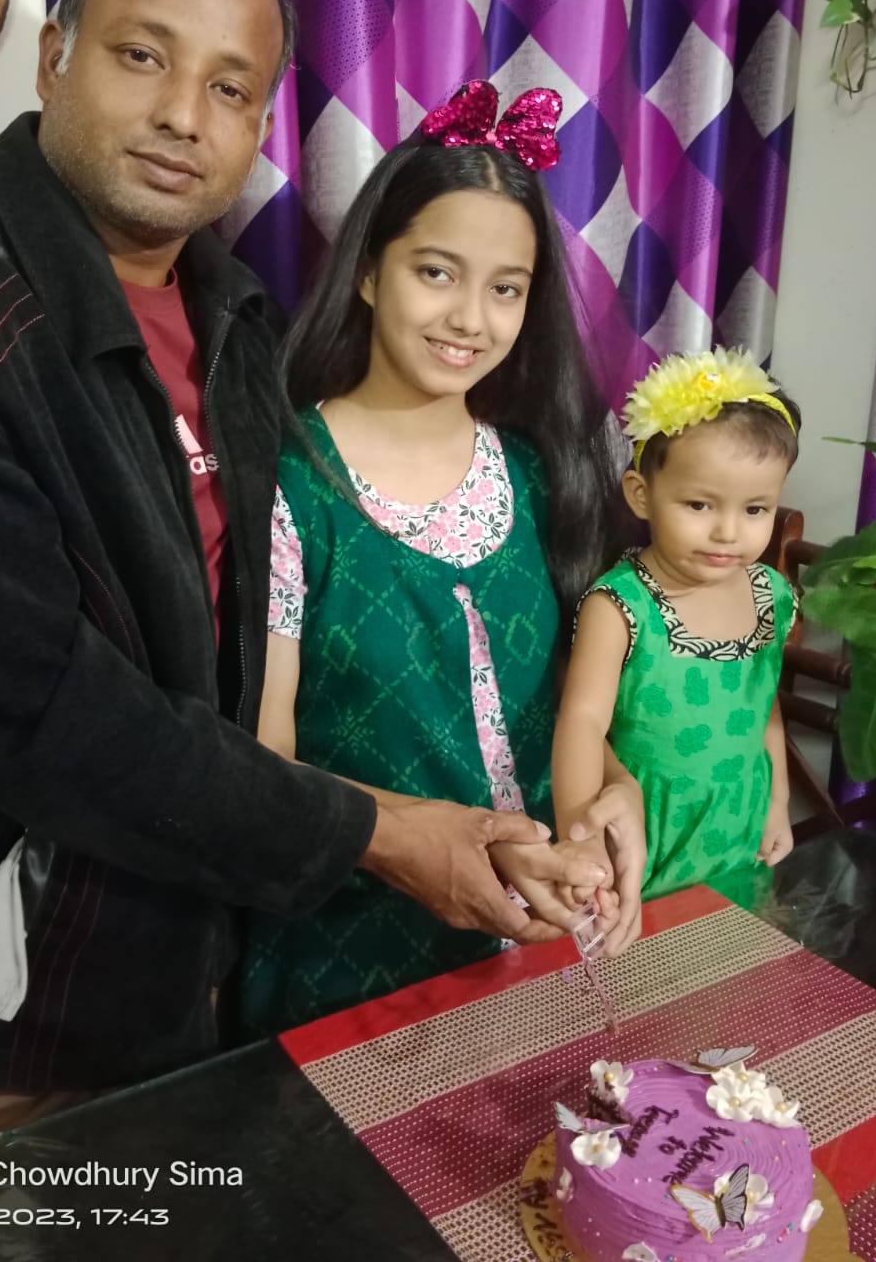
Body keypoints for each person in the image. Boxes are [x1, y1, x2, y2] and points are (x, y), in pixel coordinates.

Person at [0, 0, 616, 1262]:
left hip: (188, 976)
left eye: (230, 86)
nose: (182, 114)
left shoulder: (232, 315)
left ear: (262, 122)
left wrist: (538, 804)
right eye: (143, 55)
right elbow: (43, 713)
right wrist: (385, 837)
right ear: (56, 54)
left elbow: (240, 674)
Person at [242, 82, 646, 1035]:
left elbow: (564, 706)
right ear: (369, 273)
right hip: (354, 969)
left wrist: (616, 792)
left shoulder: (540, 474)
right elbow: (265, 771)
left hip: (547, 949)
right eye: (436, 272)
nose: (471, 317)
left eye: (506, 289)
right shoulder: (290, 484)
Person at [552, 348, 801, 903]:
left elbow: (765, 708)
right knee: (635, 947)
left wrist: (778, 803)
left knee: (718, 939)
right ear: (642, 495)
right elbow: (581, 723)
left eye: (755, 510)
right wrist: (580, 841)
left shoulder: (772, 595)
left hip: (737, 821)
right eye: (699, 505)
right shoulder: (621, 604)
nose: (727, 532)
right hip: (644, 829)